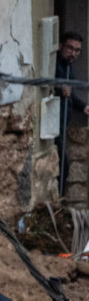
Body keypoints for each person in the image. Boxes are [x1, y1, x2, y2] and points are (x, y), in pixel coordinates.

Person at [55, 31, 89, 195]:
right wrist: (58, 89)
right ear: (61, 46)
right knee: (62, 166)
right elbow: (46, 85)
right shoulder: (55, 65)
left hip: (63, 123)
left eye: (77, 50)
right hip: (54, 124)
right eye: (70, 48)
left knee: (63, 167)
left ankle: (58, 203)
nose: (73, 53)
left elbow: (70, 95)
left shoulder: (69, 67)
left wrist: (83, 106)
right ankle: (57, 205)